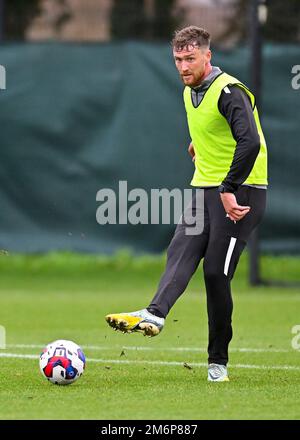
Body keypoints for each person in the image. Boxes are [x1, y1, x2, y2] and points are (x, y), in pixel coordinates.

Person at [105, 26, 268, 382]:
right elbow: (212, 129)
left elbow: (250, 142)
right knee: (182, 248)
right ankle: (155, 314)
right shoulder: (189, 90)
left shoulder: (229, 91)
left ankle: (217, 363)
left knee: (215, 273)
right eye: (178, 59)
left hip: (242, 193)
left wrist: (229, 186)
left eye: (190, 58)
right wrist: (200, 145)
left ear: (208, 56)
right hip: (207, 189)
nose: (183, 65)